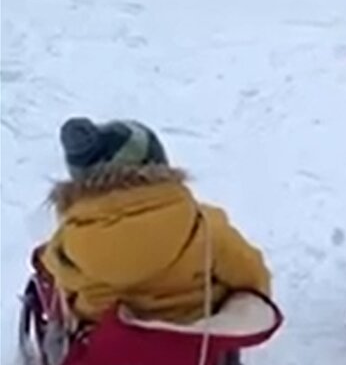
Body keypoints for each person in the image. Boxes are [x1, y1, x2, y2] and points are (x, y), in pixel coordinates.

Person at [40, 117, 272, 330]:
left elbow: (63, 284)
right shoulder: (204, 225)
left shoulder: (67, 244)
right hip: (195, 350)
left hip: (110, 357)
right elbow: (251, 277)